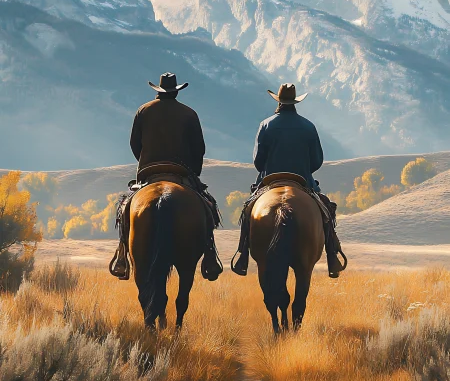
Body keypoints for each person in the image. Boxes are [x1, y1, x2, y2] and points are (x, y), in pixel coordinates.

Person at [110, 72, 222, 281]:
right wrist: (194, 174)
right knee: (208, 207)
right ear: (176, 91)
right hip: (182, 172)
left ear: (158, 90)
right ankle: (209, 255)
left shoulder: (143, 111)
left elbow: (135, 144)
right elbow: (199, 149)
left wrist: (145, 162)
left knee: (125, 208)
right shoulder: (189, 114)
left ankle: (122, 255)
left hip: (149, 171)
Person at [232, 83, 346, 278]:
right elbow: (317, 160)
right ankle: (332, 256)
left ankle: (243, 254)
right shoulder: (308, 126)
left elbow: (258, 161)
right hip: (302, 180)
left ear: (278, 101)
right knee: (326, 211)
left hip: (270, 180)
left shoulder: (266, 125)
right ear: (295, 102)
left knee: (248, 209)